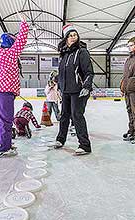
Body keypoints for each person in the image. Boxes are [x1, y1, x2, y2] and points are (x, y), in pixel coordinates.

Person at [0, 13, 29, 157]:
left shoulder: (0, 54)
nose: (16, 45)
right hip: (5, 92)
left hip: (2, 92)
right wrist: (24, 23)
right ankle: (4, 148)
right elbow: (22, 40)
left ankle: (3, 143)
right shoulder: (10, 54)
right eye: (13, 42)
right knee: (7, 120)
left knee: (3, 120)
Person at [54, 23, 94, 155]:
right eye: (70, 35)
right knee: (64, 116)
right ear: (66, 38)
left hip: (78, 90)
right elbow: (61, 73)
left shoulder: (82, 52)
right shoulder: (64, 55)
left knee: (77, 116)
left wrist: (87, 86)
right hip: (66, 90)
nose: (73, 37)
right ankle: (60, 139)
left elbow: (89, 72)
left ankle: (85, 145)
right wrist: (59, 87)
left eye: (75, 35)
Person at [120, 37, 135, 143]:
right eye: (128, 46)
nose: (129, 47)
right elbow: (125, 75)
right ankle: (132, 130)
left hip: (134, 89)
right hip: (128, 90)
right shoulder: (129, 59)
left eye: (131, 45)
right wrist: (123, 86)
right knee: (129, 110)